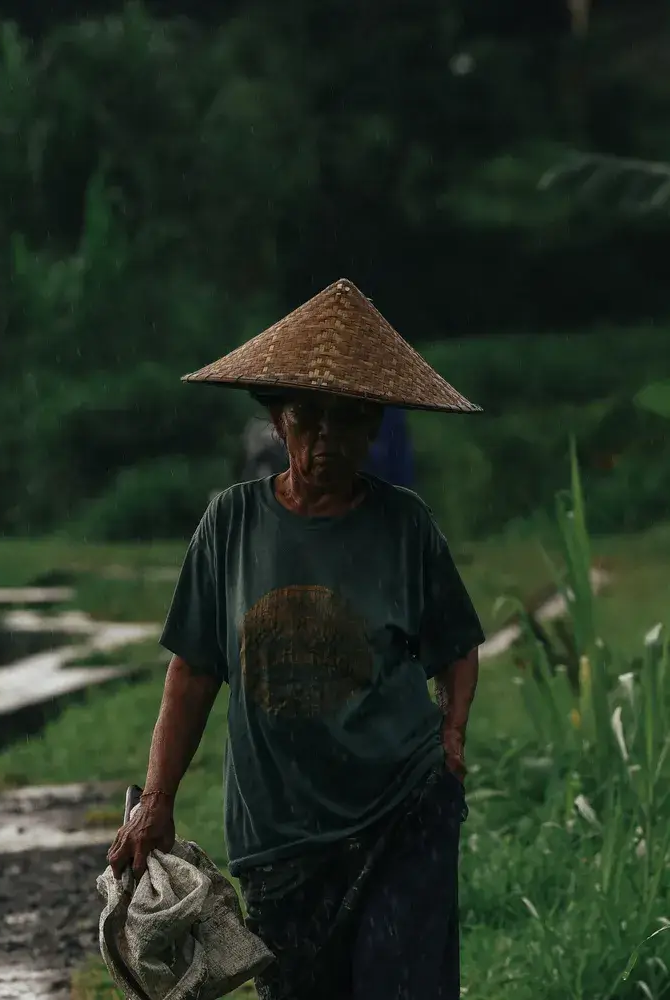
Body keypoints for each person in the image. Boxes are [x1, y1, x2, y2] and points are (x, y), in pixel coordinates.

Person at [107, 279, 485, 1000]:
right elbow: (192, 671)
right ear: (277, 422)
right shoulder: (231, 525)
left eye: (348, 420)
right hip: (280, 837)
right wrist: (156, 799)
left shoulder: (405, 527)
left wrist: (454, 731)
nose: (325, 439)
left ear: (374, 426)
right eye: (307, 417)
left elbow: (457, 645)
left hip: (401, 812)